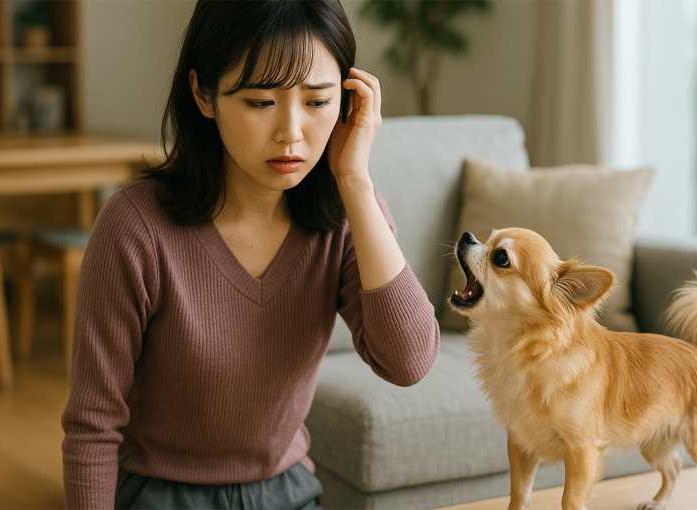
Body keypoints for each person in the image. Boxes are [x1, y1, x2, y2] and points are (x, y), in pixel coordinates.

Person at [61, 0, 441, 508]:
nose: (291, 132)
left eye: (318, 101)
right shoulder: (135, 228)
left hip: (288, 491)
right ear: (203, 93)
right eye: (261, 101)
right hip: (159, 495)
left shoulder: (347, 215)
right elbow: (92, 425)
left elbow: (409, 361)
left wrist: (354, 180)